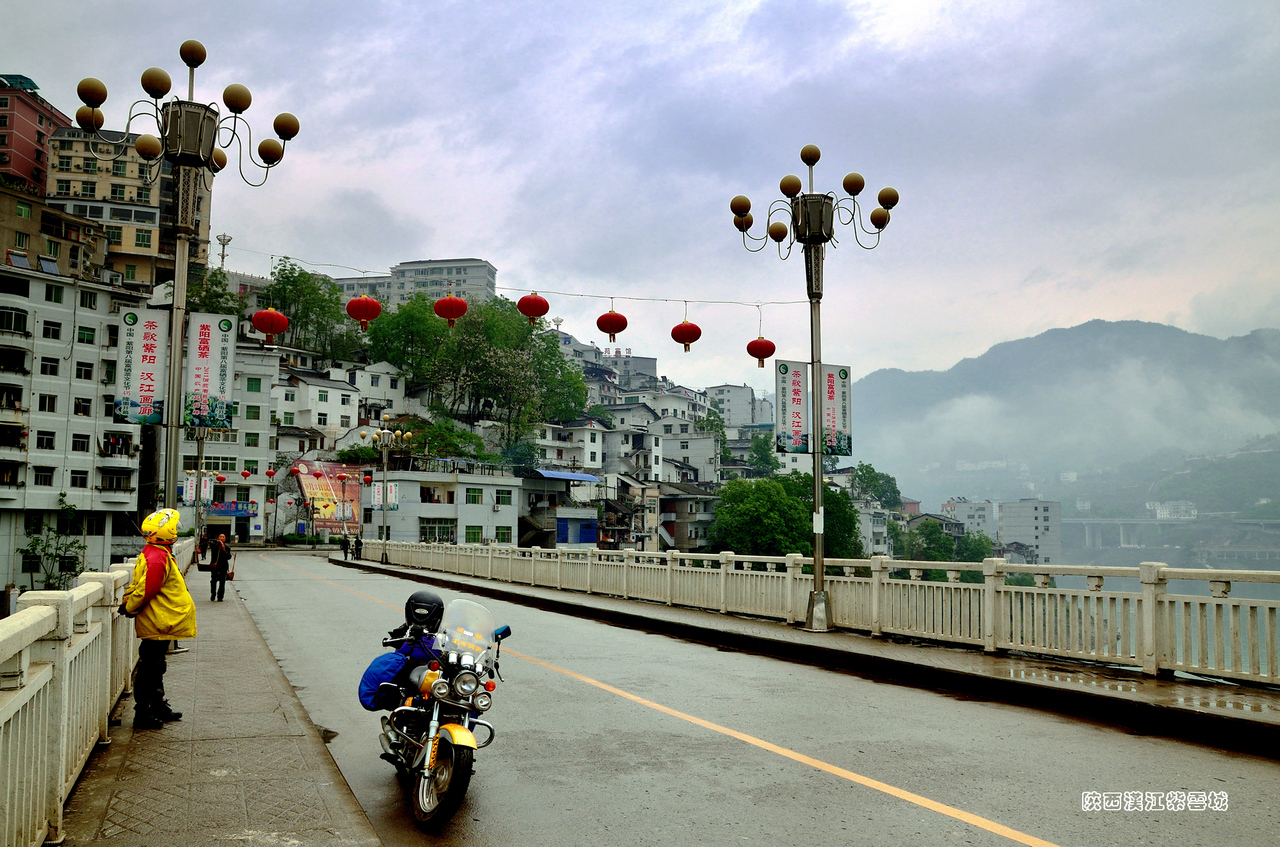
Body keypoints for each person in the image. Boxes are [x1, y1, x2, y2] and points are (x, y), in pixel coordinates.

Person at [119, 508, 197, 729]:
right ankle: (142, 713)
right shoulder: (157, 556)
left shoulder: (155, 552)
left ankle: (157, 705)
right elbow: (147, 588)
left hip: (160, 620)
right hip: (158, 620)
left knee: (156, 666)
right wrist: (130, 606)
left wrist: (129, 604)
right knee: (150, 667)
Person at [210, 533, 232, 601]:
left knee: (222, 582)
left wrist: (223, 549)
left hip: (223, 566)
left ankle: (220, 596)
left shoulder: (227, 548)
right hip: (215, 566)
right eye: (220, 537)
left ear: (225, 539)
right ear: (218, 538)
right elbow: (210, 541)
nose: (222, 538)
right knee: (213, 581)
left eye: (223, 537)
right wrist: (218, 543)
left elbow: (228, 557)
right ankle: (213, 594)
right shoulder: (214, 545)